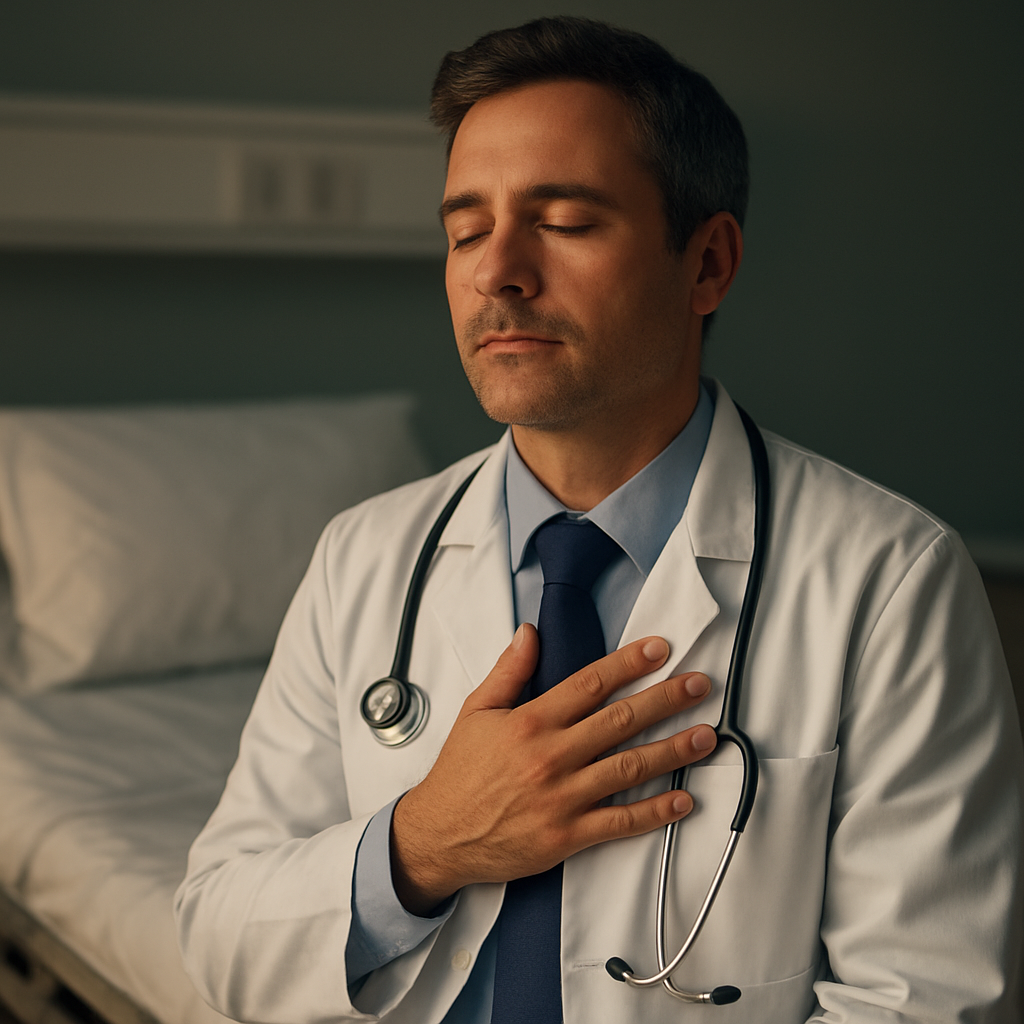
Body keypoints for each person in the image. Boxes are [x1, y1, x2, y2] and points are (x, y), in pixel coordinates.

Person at [174, 16, 1023, 1023]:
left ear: (707, 264)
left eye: (564, 221)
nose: (497, 271)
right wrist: (423, 845)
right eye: (464, 229)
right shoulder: (365, 555)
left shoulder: (890, 578)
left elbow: (929, 999)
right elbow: (218, 937)